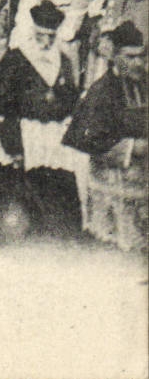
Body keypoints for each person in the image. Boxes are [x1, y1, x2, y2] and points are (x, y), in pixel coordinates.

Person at [0, 0, 84, 242]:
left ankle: (54, 237)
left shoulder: (63, 61)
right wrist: (13, 147)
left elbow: (70, 101)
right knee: (17, 190)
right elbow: (1, 111)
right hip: (22, 136)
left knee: (56, 188)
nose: (45, 42)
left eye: (50, 37)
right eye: (40, 36)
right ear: (32, 31)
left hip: (52, 137)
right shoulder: (15, 61)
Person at [62, 22, 146, 251]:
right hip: (114, 190)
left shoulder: (144, 83)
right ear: (115, 57)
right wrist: (133, 148)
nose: (138, 63)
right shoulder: (102, 91)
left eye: (141, 56)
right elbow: (85, 139)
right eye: (130, 57)